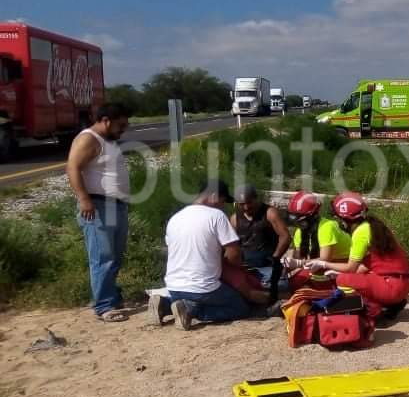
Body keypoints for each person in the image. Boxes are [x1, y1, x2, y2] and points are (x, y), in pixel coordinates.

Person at [150, 180, 253, 330]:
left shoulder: (175, 218)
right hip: (203, 289)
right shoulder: (217, 216)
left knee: (190, 297)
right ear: (213, 196)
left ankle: (164, 305)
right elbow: (233, 253)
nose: (223, 206)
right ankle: (191, 310)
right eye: (223, 201)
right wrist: (238, 268)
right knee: (241, 308)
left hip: (173, 286)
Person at [66, 102, 132, 323]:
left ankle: (111, 296)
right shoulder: (88, 139)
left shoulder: (108, 140)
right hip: (98, 206)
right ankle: (104, 305)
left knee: (115, 256)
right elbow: (72, 167)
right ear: (106, 120)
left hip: (116, 206)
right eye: (120, 125)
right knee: (102, 257)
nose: (124, 129)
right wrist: (84, 199)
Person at [308, 191, 409, 321]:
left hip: (391, 286)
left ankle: (374, 310)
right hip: (401, 284)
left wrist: (323, 264)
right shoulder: (374, 226)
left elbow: (350, 268)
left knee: (342, 281)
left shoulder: (360, 233)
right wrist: (338, 272)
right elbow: (367, 266)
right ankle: (391, 304)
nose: (338, 221)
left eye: (338, 217)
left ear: (345, 218)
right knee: (349, 278)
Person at [230, 184, 291, 304]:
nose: (246, 207)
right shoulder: (234, 219)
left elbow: (285, 236)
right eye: (242, 204)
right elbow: (231, 245)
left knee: (282, 283)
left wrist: (276, 257)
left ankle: (261, 295)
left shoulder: (270, 213)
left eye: (249, 202)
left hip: (267, 266)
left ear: (256, 199)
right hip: (245, 268)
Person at [281, 191, 352, 290]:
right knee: (293, 282)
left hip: (343, 264)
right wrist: (283, 269)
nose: (298, 224)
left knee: (305, 282)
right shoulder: (299, 232)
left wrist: (298, 263)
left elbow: (325, 259)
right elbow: (299, 258)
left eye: (300, 220)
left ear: (312, 216)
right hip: (324, 265)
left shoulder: (327, 227)